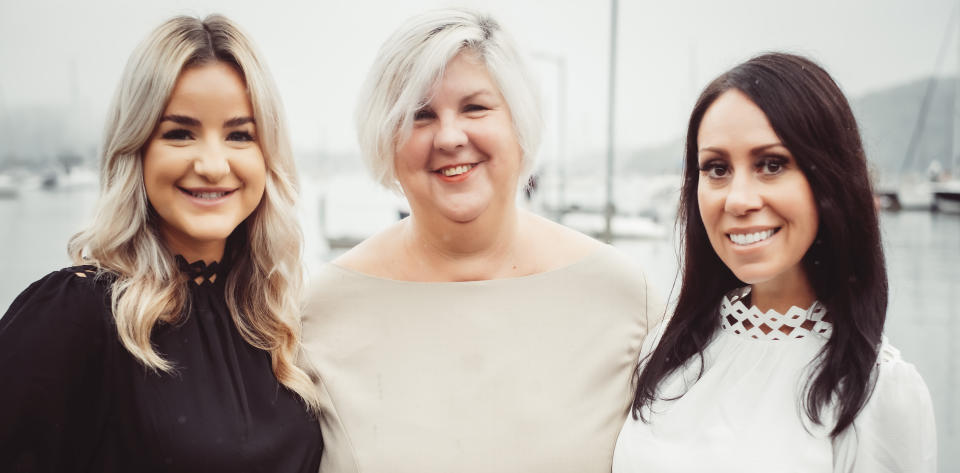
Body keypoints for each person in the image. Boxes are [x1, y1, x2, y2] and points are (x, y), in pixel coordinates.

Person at [301, 8, 660, 473]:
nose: (450, 136)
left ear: (518, 122)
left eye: (475, 107)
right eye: (421, 115)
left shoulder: (625, 298)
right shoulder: (320, 311)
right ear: (386, 136)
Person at [0, 15, 322, 472]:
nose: (212, 164)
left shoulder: (275, 319)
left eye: (239, 135)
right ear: (137, 149)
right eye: (179, 133)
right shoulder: (76, 314)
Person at [613, 52, 936, 472]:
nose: (739, 199)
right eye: (716, 168)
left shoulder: (879, 394)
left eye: (771, 164)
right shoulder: (667, 351)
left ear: (830, 179)